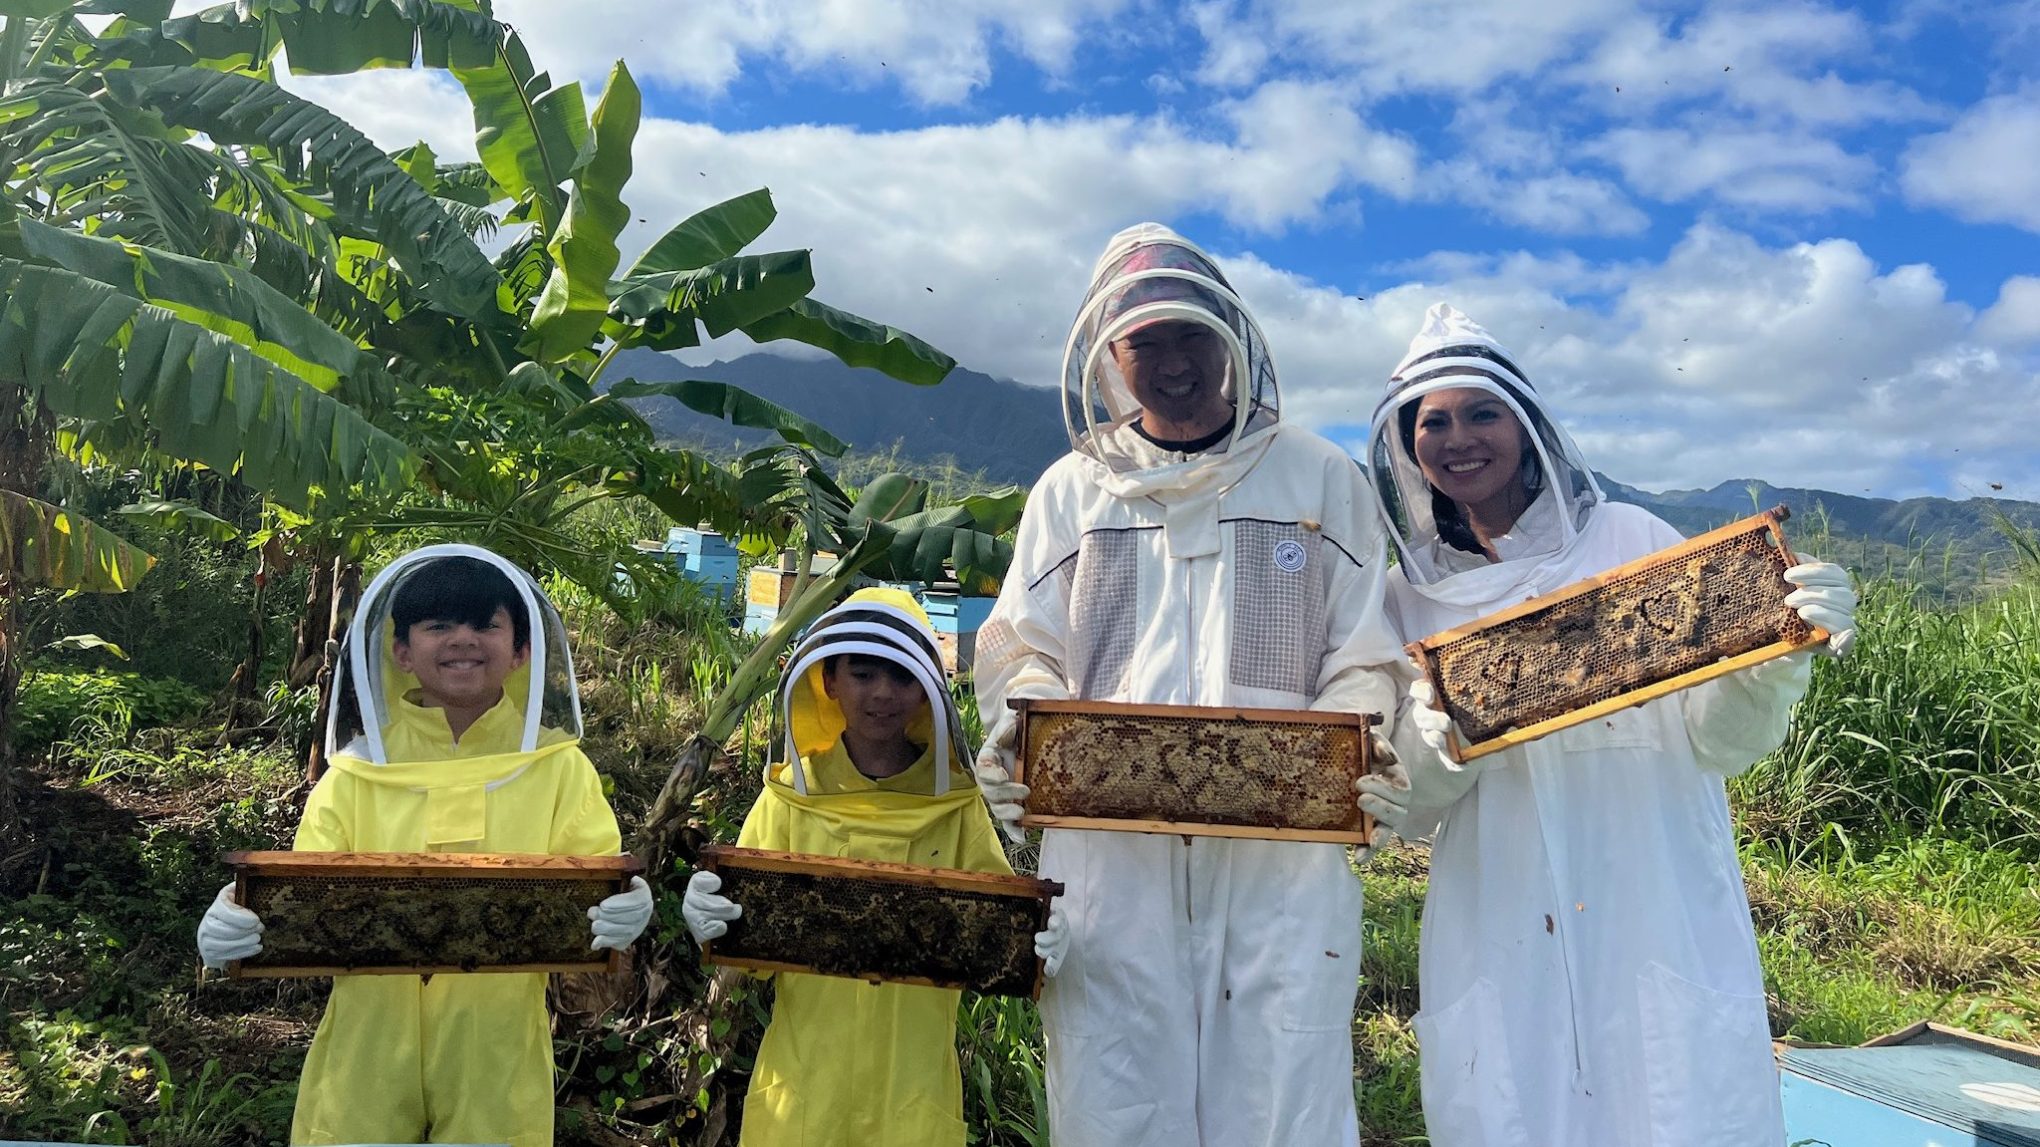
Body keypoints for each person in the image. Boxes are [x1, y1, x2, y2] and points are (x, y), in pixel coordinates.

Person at [1353, 303, 1859, 1147]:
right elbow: (1410, 808)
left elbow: (1720, 742)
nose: (1458, 438)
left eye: (1483, 412)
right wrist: (1441, 740)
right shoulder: (1410, 598)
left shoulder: (1630, 539)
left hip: (1651, 897)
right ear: (1409, 448)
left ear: (1527, 427)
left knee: (1674, 1108)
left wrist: (1775, 656)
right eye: (1431, 423)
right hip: (1498, 914)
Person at [968, 222, 1408, 1146]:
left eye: (1190, 337)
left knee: (1283, 1087)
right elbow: (1016, 639)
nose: (1172, 363)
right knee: (1112, 1083)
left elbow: (1366, 648)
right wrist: (1022, 722)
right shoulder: (1071, 491)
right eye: (1145, 343)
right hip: (1109, 854)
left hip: (1279, 860)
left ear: (1232, 340)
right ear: (1110, 356)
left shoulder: (1319, 477)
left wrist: (1336, 755)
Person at [195, 544, 653, 1147]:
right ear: (401, 652)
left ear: (521, 651)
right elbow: (302, 892)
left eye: (486, 623)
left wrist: (627, 904)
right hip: (366, 1047)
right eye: (439, 624)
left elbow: (593, 889)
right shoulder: (356, 775)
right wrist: (238, 911)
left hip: (497, 1051)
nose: (463, 639)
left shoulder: (559, 772)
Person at [679, 587, 1069, 1146]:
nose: (883, 694)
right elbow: (753, 958)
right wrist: (714, 918)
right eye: (863, 674)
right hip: (800, 1101)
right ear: (828, 681)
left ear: (926, 691)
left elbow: (996, 939)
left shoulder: (955, 809)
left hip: (911, 1103)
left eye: (902, 677)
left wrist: (1039, 941)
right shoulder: (791, 797)